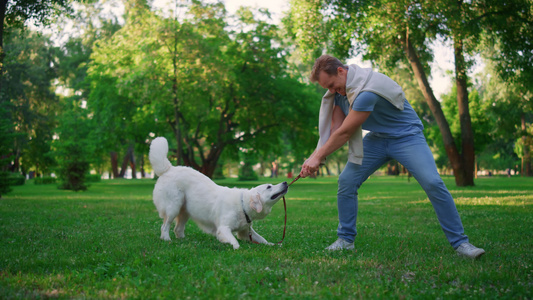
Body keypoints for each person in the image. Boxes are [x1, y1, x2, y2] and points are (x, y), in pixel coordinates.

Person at [299, 55, 485, 259]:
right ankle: (345, 240)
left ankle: (461, 244)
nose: (333, 92)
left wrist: (317, 158)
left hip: (406, 136)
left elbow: (344, 133)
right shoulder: (340, 92)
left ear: (341, 71)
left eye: (333, 85)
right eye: (328, 89)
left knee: (433, 182)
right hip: (377, 139)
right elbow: (335, 127)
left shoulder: (367, 91)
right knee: (346, 181)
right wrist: (314, 157)